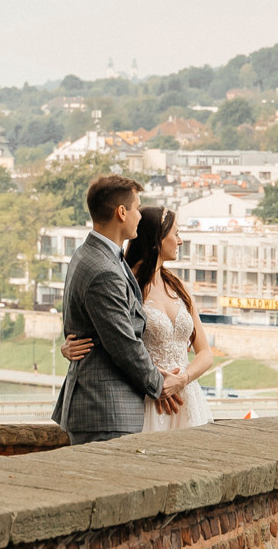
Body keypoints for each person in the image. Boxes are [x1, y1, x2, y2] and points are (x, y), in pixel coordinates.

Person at [51, 173, 188, 444]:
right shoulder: (103, 269)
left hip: (103, 405)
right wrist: (160, 385)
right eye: (137, 208)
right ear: (122, 212)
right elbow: (123, 344)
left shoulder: (89, 254)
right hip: (106, 409)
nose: (139, 215)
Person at [119, 205, 218, 429]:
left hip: (187, 396)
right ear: (157, 239)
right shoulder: (126, 285)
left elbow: (206, 354)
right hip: (149, 399)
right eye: (175, 233)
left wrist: (182, 379)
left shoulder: (178, 285)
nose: (180, 241)